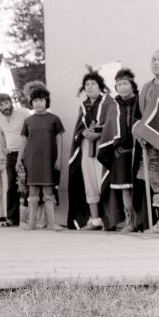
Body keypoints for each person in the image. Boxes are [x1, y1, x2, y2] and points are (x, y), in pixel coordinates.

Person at [67, 71, 118, 231]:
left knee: (103, 179)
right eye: (87, 84)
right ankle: (95, 219)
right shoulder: (84, 106)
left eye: (93, 84)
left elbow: (113, 125)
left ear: (100, 86)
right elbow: (79, 127)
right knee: (89, 183)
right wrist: (83, 133)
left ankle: (109, 219)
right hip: (86, 147)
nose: (89, 87)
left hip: (103, 147)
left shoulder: (110, 102)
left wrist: (99, 134)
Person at [16, 84, 65, 230]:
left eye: (41, 100)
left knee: (48, 193)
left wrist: (59, 158)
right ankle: (32, 223)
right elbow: (23, 140)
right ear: (31, 103)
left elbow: (59, 139)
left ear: (46, 101)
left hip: (49, 159)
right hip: (32, 160)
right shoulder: (28, 121)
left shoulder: (54, 119)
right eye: (35, 101)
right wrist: (19, 158)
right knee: (33, 193)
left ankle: (51, 223)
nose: (38, 103)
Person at [132, 50, 159, 232]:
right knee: (155, 179)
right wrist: (141, 132)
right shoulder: (147, 87)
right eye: (153, 59)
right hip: (150, 143)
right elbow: (140, 115)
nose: (156, 62)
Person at [99, 68, 138, 232]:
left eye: (125, 83)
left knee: (140, 186)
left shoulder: (140, 101)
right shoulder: (114, 106)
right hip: (120, 153)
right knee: (124, 188)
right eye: (119, 84)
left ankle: (143, 220)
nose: (122, 87)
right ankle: (130, 222)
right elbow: (109, 128)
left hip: (138, 151)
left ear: (132, 85)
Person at [0, 93, 30, 227]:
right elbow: (2, 133)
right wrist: (3, 147)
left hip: (26, 152)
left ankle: (28, 217)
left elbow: (31, 130)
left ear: (11, 102)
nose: (5, 106)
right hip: (10, 154)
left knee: (27, 184)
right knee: (11, 186)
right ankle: (12, 218)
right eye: (1, 104)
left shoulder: (23, 113)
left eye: (6, 103)